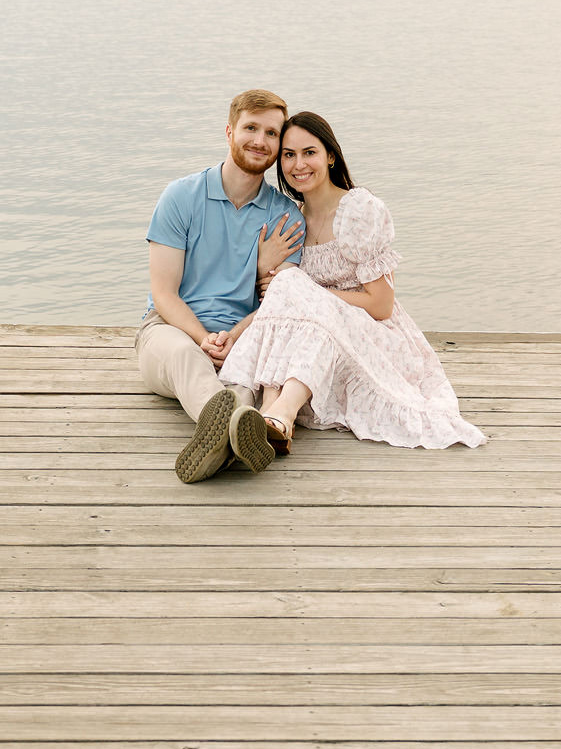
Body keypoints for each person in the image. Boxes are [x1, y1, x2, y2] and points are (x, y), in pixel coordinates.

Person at [218, 112, 485, 452]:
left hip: (374, 336)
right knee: (288, 284)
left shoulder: (360, 211)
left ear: (330, 156)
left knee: (292, 283)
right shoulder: (292, 220)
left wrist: (316, 294)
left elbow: (381, 305)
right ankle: (272, 420)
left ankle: (277, 411)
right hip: (317, 341)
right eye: (288, 155)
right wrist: (231, 335)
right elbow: (286, 304)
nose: (299, 164)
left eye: (309, 152)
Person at [138, 88, 309, 483]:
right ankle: (236, 433)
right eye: (251, 128)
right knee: (185, 356)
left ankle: (223, 441)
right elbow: (164, 293)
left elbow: (277, 304)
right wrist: (203, 338)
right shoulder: (181, 197)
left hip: (245, 339)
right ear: (229, 132)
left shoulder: (286, 218)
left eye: (271, 133)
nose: (260, 141)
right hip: (170, 329)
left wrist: (233, 336)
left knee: (245, 388)